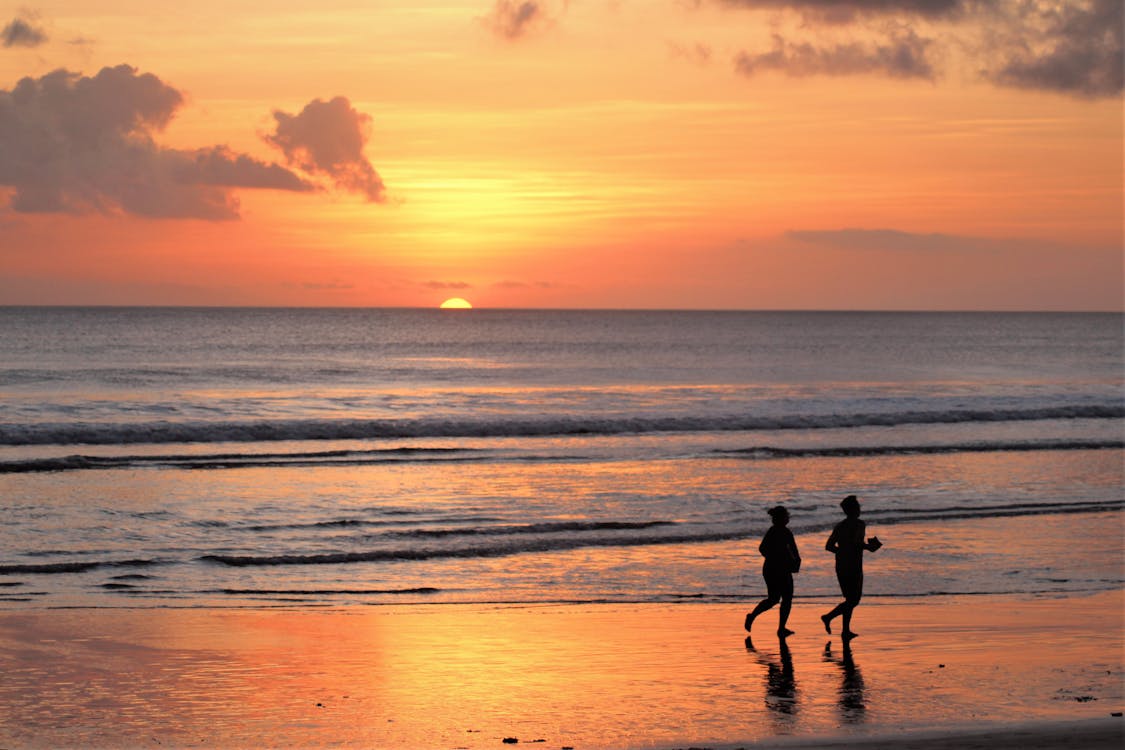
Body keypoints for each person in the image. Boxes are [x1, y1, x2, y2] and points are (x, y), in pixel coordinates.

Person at [821, 494, 881, 640]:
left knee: (850, 599)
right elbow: (856, 543)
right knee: (853, 600)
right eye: (858, 506)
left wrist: (841, 552)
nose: (860, 508)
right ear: (854, 509)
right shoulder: (860, 524)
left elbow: (829, 546)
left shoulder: (840, 526)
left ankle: (845, 630)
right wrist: (869, 547)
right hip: (854, 564)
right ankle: (829, 617)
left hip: (841, 564)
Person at [744, 505, 801, 637]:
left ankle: (756, 618)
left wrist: (794, 562)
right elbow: (762, 548)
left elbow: (793, 551)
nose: (788, 518)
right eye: (787, 516)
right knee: (782, 599)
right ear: (781, 518)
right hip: (776, 569)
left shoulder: (781, 531)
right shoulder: (779, 532)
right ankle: (778, 627)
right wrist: (778, 559)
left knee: (775, 599)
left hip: (773, 569)